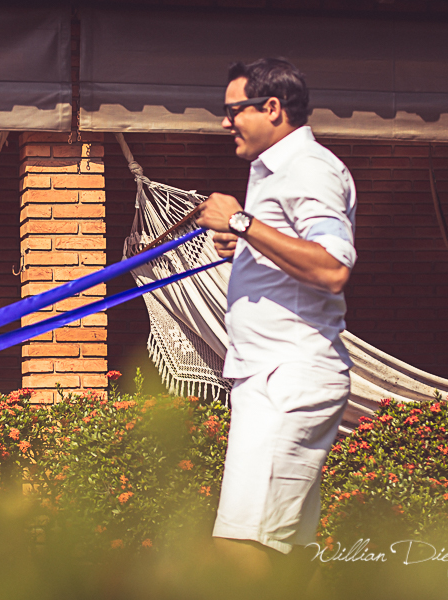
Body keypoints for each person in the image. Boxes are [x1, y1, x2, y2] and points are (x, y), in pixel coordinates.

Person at [194, 58, 357, 585]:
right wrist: (245, 244)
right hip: (272, 374)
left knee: (240, 544)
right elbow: (295, 252)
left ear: (272, 108)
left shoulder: (307, 168)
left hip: (287, 376)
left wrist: (241, 221)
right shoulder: (276, 171)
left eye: (233, 110)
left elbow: (332, 268)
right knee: (284, 552)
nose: (225, 123)